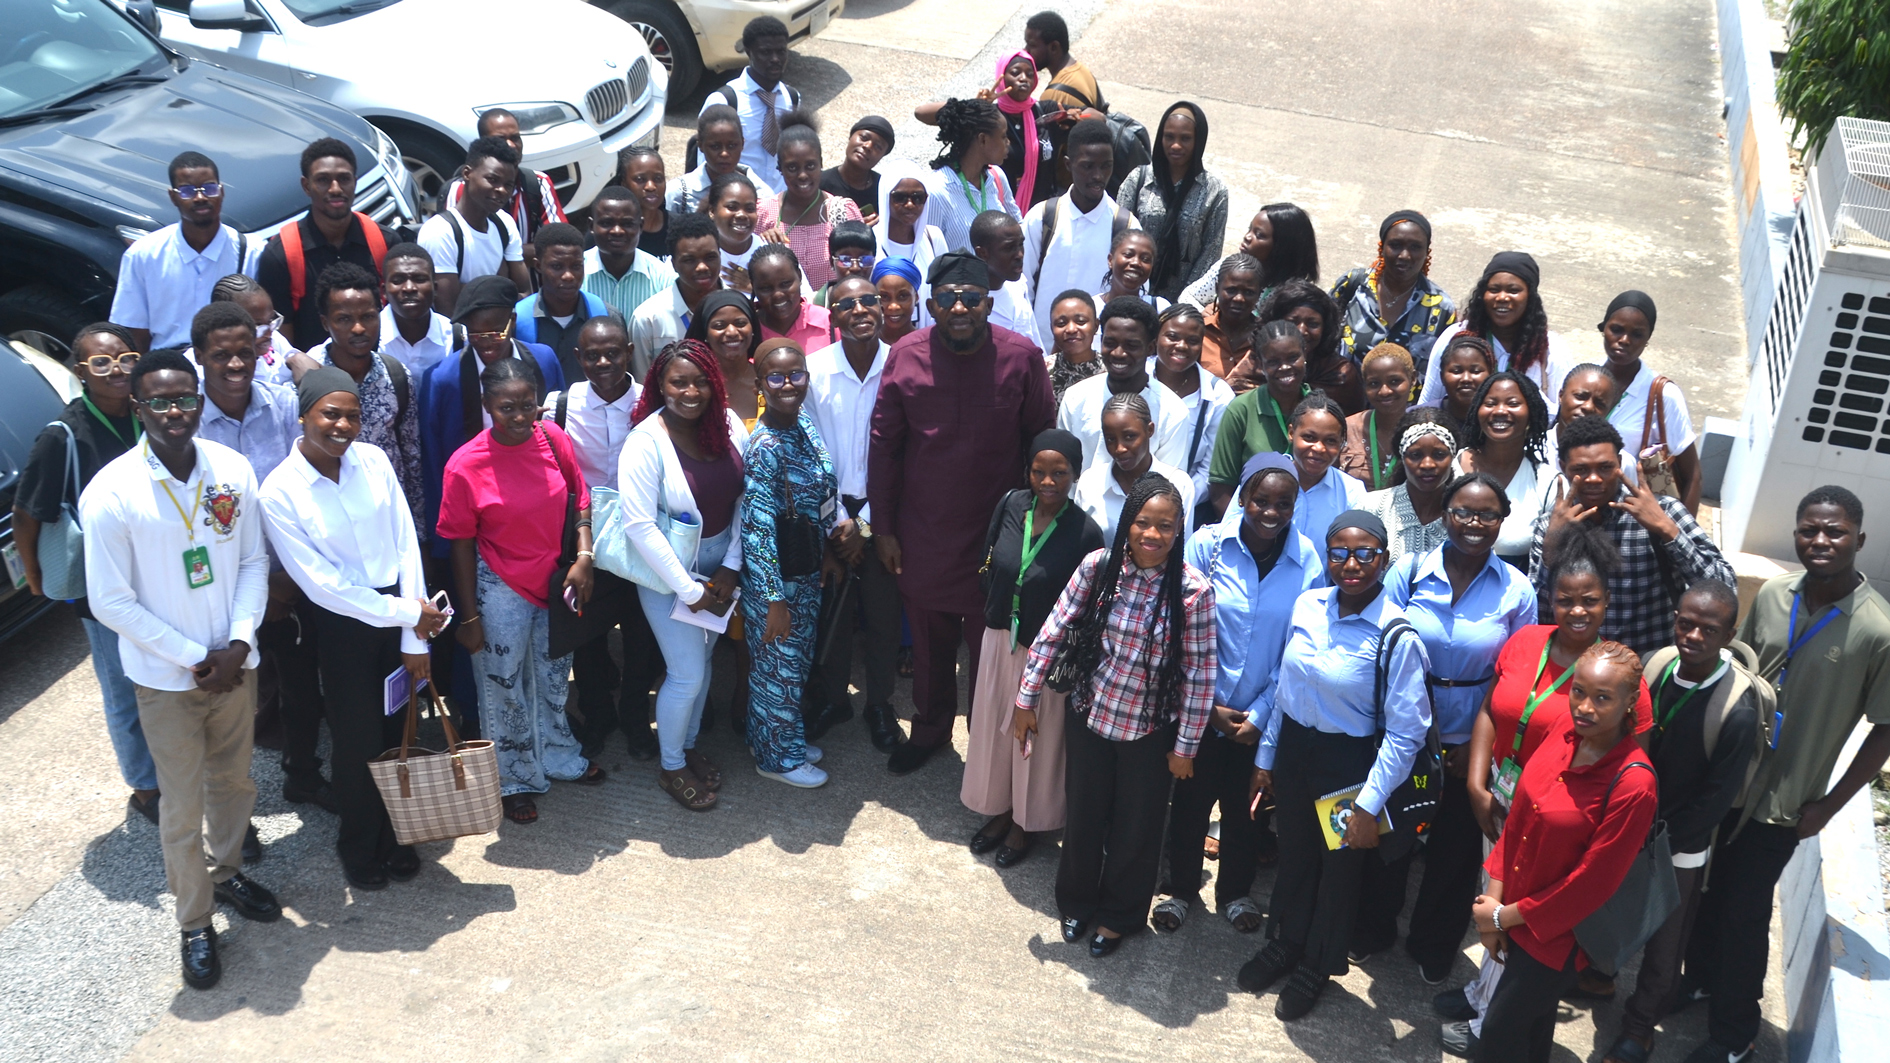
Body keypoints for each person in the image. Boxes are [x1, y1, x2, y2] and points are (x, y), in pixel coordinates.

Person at [80, 349, 280, 990]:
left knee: (235, 785)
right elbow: (110, 602)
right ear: (138, 408)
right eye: (159, 402)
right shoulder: (111, 492)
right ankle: (195, 924)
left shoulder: (231, 468)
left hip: (234, 665)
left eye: (184, 399)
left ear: (200, 401)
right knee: (181, 805)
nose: (174, 412)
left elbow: (252, 562)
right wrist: (199, 659)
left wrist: (241, 642)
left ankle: (226, 876)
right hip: (169, 681)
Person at [1685, 486, 1890, 1063]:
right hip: (1727, 782)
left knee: (1744, 913)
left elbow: (1884, 729)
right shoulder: (1775, 595)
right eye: (1809, 529)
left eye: (1835, 532)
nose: (1820, 541)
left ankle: (1734, 1036)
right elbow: (1735, 673)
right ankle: (1697, 979)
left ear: (1859, 539)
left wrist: (1831, 803)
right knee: (1705, 891)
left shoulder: (1877, 629)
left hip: (1783, 801)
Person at [868, 251, 1056, 775]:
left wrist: (1036, 529)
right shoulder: (905, 355)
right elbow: (883, 446)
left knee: (990, 652)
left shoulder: (1021, 358)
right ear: (931, 305)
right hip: (923, 530)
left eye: (971, 300)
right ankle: (929, 730)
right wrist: (882, 528)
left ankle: (986, 747)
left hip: (997, 536)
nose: (959, 309)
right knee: (928, 644)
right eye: (948, 300)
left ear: (988, 304)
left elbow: (1042, 443)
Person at [258, 368, 447, 889]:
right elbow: (323, 587)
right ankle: (360, 844)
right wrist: (409, 616)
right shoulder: (279, 491)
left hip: (400, 614)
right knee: (356, 739)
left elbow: (406, 543)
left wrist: (414, 635)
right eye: (330, 414)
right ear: (304, 416)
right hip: (343, 628)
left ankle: (398, 836)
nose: (343, 425)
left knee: (399, 731)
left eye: (353, 415)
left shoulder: (375, 460)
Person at [1239, 508, 1432, 1019]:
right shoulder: (1308, 605)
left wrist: (1368, 805)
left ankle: (1317, 965)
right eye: (1339, 552)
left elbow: (1407, 734)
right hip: (1297, 753)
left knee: (1339, 870)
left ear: (1383, 560)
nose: (1351, 563)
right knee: (1296, 854)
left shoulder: (1397, 635)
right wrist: (1266, 758)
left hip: (1350, 765)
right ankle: (1287, 941)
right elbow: (1284, 686)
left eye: (1365, 552)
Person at [1017, 473, 1215, 957]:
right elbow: (1054, 629)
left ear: (1179, 530)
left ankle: (1119, 916)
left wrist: (1185, 747)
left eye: (1165, 526)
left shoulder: (1193, 591)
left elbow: (1200, 674)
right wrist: (1026, 698)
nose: (1152, 535)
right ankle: (1077, 904)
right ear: (1127, 523)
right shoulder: (1098, 567)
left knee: (1137, 828)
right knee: (1083, 818)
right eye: (1143, 523)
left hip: (1150, 730)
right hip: (1090, 715)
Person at [1359, 473, 1535, 982]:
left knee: (1454, 855)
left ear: (1502, 522)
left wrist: (1481, 749)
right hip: (1403, 738)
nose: (1474, 524)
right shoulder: (1410, 572)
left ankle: (1433, 944)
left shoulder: (1517, 591)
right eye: (1462, 512)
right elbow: (1380, 645)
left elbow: (1519, 678)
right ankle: (1373, 928)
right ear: (1443, 516)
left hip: (1469, 745)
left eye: (1487, 515)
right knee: (1392, 839)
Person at [1467, 642, 1659, 1062]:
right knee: (1531, 1033)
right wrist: (1494, 902)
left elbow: (1590, 886)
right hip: (1512, 908)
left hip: (1556, 938)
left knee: (1498, 1036)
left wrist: (1502, 917)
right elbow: (1517, 819)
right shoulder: (1563, 732)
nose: (1585, 707)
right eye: (1578, 691)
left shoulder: (1634, 784)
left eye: (1603, 698)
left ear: (1630, 703)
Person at [1159, 454, 1322, 932]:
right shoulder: (1206, 545)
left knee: (1245, 809)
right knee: (1190, 804)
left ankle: (1234, 892)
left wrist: (1261, 712)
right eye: (1261, 500)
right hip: (1200, 707)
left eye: (1283, 503)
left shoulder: (1308, 561)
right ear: (1242, 499)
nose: (1271, 511)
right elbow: (1179, 628)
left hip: (1262, 716)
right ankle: (1180, 889)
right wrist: (1205, 707)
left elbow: (1299, 648)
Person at [438, 358, 604, 825]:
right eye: (506, 407)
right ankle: (513, 778)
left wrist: (584, 556)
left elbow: (581, 500)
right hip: (497, 587)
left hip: (555, 581)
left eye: (527, 405)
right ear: (488, 405)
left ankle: (556, 756)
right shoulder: (464, 465)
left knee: (554, 677)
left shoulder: (554, 440)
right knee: (504, 687)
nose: (518, 416)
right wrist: (469, 618)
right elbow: (459, 544)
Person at [1603, 581, 1763, 1063]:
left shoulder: (1736, 711)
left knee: (1665, 943)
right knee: (1608, 910)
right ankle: (1596, 975)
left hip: (1680, 844)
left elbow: (1718, 799)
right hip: (1628, 824)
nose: (1693, 635)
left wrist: (1659, 839)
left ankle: (1639, 1027)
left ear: (1729, 634)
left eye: (1708, 629)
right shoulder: (1654, 667)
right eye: (1685, 623)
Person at [11, 326, 158, 822]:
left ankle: (172, 764)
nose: (116, 370)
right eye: (101, 363)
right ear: (80, 372)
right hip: (104, 588)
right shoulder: (64, 435)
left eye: (125, 359)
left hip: (159, 576)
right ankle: (144, 787)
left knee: (164, 679)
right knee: (122, 690)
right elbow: (29, 512)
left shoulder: (149, 414)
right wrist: (36, 577)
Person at [963, 429, 1105, 865]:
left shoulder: (1086, 532)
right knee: (994, 731)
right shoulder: (1011, 505)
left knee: (1032, 742)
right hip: (998, 638)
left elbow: (1088, 607)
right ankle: (1000, 810)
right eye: (1039, 472)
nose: (1048, 482)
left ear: (1075, 474)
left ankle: (1025, 825)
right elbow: (990, 557)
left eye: (1059, 473)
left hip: (1044, 653)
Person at [619, 340, 750, 811]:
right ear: (660, 385)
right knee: (686, 673)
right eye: (678, 382)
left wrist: (732, 566)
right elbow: (638, 525)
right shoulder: (645, 441)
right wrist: (689, 587)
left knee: (705, 664)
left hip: (720, 568)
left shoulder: (731, 426)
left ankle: (688, 746)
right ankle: (671, 766)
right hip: (667, 574)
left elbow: (744, 501)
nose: (690, 391)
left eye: (699, 381)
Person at [544, 316, 662, 762]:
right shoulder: (559, 405)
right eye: (591, 355)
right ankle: (597, 715)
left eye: (612, 352)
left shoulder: (651, 402)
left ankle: (634, 714)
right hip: (585, 537)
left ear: (629, 352)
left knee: (641, 634)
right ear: (578, 358)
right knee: (586, 636)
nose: (603, 362)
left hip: (641, 536)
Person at [1531, 415, 1732, 659]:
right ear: (1563, 467)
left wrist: (1668, 531)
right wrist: (1551, 550)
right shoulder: (1550, 525)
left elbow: (1725, 586)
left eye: (1605, 467)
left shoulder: (1664, 512)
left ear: (1619, 462)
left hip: (1649, 665)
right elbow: (1537, 613)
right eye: (1581, 470)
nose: (1594, 479)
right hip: (1578, 670)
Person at [805, 276, 904, 751]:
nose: (862, 309)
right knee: (832, 613)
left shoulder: (903, 368)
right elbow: (803, 455)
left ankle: (880, 704)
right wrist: (834, 529)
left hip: (884, 512)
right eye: (848, 303)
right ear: (833, 315)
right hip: (831, 510)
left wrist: (868, 527)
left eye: (871, 300)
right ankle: (833, 699)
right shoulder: (813, 370)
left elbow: (911, 457)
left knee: (883, 616)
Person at [740, 339, 838, 787]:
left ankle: (780, 737)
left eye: (795, 374)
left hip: (806, 568)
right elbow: (758, 528)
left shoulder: (804, 425)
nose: (787, 384)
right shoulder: (765, 445)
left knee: (793, 664)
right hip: (775, 580)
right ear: (761, 384)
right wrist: (773, 598)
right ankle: (778, 759)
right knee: (775, 667)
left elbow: (821, 492)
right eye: (775, 377)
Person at [417, 276, 564, 560]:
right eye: (475, 335)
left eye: (495, 333)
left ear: (512, 320)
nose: (486, 343)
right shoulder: (442, 379)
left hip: (538, 500)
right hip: (478, 506)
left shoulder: (543, 360)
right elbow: (434, 461)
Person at [306, 264, 427, 541]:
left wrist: (418, 538)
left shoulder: (395, 375)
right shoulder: (308, 379)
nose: (359, 328)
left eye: (369, 317)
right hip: (331, 525)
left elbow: (412, 459)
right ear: (326, 323)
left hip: (388, 520)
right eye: (344, 319)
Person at [255, 139, 400, 349]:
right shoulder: (281, 256)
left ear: (355, 182)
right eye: (323, 180)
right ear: (306, 186)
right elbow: (282, 345)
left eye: (344, 179)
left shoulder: (385, 243)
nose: (335, 189)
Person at [111, 151, 257, 352]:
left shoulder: (251, 252)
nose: (200, 197)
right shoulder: (142, 255)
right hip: (169, 367)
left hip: (230, 361)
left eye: (209, 188)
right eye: (187, 191)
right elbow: (135, 332)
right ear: (173, 197)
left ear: (221, 192)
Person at [1023, 118, 1131, 339]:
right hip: (1041, 347)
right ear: (1068, 164)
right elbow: (1021, 287)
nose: (1098, 176)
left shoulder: (1125, 227)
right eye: (1088, 166)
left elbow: (1132, 294)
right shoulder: (1042, 217)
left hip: (1098, 355)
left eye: (1106, 166)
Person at [1420, 252, 1571, 409]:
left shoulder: (1551, 349)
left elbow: (1562, 413)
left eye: (1513, 290)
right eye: (1494, 289)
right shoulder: (1455, 337)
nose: (1502, 297)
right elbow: (1428, 402)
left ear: (1530, 297)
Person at [1595, 290, 1701, 511]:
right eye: (1616, 330)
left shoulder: (1663, 395)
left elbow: (1692, 475)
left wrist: (1681, 538)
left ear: (1647, 340)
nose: (1624, 340)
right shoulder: (1585, 378)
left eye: (1636, 334)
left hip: (1632, 521)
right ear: (1603, 328)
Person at [1057, 297, 1188, 472]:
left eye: (1131, 345)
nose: (1118, 353)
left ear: (1150, 348)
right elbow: (1064, 467)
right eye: (1110, 343)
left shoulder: (1173, 411)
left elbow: (1170, 482)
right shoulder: (1075, 398)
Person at [1115, 101, 1228, 301]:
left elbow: (1210, 253)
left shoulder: (1214, 191)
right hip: (1133, 294)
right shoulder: (1139, 180)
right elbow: (1118, 238)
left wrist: (1183, 303)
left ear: (1198, 141)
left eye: (1185, 139)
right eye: (1169, 137)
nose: (1176, 145)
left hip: (1182, 304)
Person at [1330, 210, 1457, 375]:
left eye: (1415, 247)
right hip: (1346, 399)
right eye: (1396, 245)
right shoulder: (1352, 285)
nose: (1404, 255)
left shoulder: (1441, 308)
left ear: (1427, 253)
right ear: (1381, 248)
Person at [416, 137, 530, 316]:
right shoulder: (440, 232)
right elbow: (448, 309)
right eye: (492, 179)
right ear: (467, 174)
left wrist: (468, 289)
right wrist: (502, 287)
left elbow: (526, 294)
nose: (502, 190)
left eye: (508, 185)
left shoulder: (504, 224)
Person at [1205, 321, 1311, 513]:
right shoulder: (1240, 410)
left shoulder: (1320, 410)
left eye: (1293, 357)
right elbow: (1221, 489)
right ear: (1260, 365)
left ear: (1305, 355)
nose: (1285, 367)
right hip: (1255, 527)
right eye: (1273, 361)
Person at [447, 108, 569, 269]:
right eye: (501, 139)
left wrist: (496, 252)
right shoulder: (459, 189)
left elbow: (560, 245)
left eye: (515, 138)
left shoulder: (538, 183)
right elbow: (457, 248)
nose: (511, 145)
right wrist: (526, 252)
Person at [1455, 371, 1553, 568]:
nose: (1500, 411)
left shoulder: (1548, 482)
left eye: (1513, 404)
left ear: (1531, 413)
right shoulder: (1450, 468)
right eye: (1490, 403)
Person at [757, 114, 865, 292]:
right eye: (792, 167)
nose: (802, 175)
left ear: (821, 163)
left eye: (810, 166)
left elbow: (861, 267)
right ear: (780, 169)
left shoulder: (843, 212)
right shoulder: (763, 213)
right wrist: (762, 244)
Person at [1149, 303, 1232, 520]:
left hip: (1185, 508)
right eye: (1172, 337)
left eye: (1193, 341)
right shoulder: (1138, 378)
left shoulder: (1217, 395)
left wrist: (1174, 501)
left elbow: (1209, 470)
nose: (1182, 346)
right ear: (1156, 337)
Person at [698, 17, 799, 192]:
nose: (775, 59)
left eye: (781, 51)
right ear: (748, 52)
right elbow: (704, 163)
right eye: (766, 52)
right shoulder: (725, 101)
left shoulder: (792, 98)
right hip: (739, 200)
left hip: (779, 200)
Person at [1074, 392, 1196, 533]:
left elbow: (1183, 546)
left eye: (1130, 436)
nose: (1120, 448)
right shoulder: (1090, 483)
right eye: (1110, 439)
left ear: (1150, 430)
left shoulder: (1178, 484)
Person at [513, 223, 614, 382]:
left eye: (576, 266)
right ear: (538, 266)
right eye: (557, 266)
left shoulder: (606, 316)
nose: (568, 276)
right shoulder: (516, 321)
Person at [629, 211, 722, 381]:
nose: (702, 267)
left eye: (710, 257)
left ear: (720, 256)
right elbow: (643, 388)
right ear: (673, 264)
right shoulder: (648, 319)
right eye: (689, 260)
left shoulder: (741, 309)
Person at [1359, 409, 1458, 565]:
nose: (1427, 464)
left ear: (1452, 457)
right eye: (1416, 455)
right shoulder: (1372, 508)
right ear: (1402, 457)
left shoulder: (1464, 514)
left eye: (1439, 454)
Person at [1179, 203, 1320, 310]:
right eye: (1249, 230)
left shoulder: (1295, 295)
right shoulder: (1228, 269)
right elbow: (1187, 297)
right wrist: (1206, 319)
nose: (1247, 237)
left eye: (1259, 235)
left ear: (1282, 247)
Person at [926, 98, 1021, 254]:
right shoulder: (936, 191)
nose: (1008, 142)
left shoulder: (997, 177)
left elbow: (1018, 228)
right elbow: (929, 256)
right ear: (983, 139)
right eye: (1003, 136)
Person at [1264, 279, 1363, 415]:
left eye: (1313, 324)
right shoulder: (1257, 363)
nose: (1301, 331)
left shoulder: (1341, 375)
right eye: (1293, 322)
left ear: (1325, 329)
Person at [582, 186, 677, 327]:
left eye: (627, 224)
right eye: (607, 223)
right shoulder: (576, 273)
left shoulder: (663, 279)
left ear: (641, 226)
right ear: (591, 226)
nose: (617, 231)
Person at [871, 161, 950, 319]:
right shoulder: (869, 240)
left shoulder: (933, 238)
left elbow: (945, 290)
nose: (910, 204)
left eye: (918, 198)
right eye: (900, 197)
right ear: (886, 196)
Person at [667, 104, 775, 216]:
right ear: (701, 146)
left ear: (742, 144)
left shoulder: (762, 194)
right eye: (715, 146)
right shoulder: (679, 193)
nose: (724, 153)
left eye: (732, 146)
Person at [1339, 342, 1415, 492]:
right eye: (1374, 383)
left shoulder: (1424, 432)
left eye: (1394, 381)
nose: (1384, 391)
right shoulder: (1345, 430)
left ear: (1412, 379)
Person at [685, 289, 764, 426]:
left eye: (740, 323)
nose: (732, 332)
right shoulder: (694, 387)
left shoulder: (769, 381)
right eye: (719, 326)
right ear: (705, 333)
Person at [377, 244, 457, 377]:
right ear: (383, 291)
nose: (409, 288)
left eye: (419, 280)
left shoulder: (457, 338)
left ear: (435, 288)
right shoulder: (366, 338)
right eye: (398, 280)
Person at [970, 210, 1044, 350]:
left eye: (1021, 245)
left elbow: (1035, 343)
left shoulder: (1019, 285)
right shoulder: (965, 303)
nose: (1020, 255)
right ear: (982, 253)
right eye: (1009, 248)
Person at [207, 273, 296, 387]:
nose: (269, 333)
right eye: (257, 325)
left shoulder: (274, 338)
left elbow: (296, 358)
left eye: (270, 320)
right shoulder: (209, 371)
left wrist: (296, 360)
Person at [1197, 253, 1264, 386]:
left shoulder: (1266, 339)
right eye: (1231, 290)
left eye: (1249, 292)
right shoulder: (1198, 332)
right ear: (1217, 288)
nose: (1239, 298)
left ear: (1258, 295)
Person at [749, 244, 830, 351]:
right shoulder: (747, 332)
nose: (778, 295)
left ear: (799, 276)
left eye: (785, 284)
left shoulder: (829, 323)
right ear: (753, 287)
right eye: (765, 288)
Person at [1025, 10, 1103, 116]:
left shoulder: (1054, 96)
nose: (1026, 51)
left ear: (1054, 47)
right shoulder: (1081, 70)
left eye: (1032, 45)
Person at [821, 115, 895, 222]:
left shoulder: (884, 190)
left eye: (878, 147)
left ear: (882, 156)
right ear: (850, 137)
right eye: (863, 138)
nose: (868, 146)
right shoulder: (820, 184)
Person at [1045, 287, 1103, 403]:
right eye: (1061, 323)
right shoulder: (1041, 370)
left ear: (1096, 326)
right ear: (1052, 328)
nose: (1071, 329)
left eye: (1081, 321)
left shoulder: (1110, 370)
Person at [612, 146, 671, 259]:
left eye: (658, 179)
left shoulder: (678, 229)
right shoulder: (610, 232)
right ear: (624, 183)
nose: (651, 187)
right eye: (640, 179)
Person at [1433, 333, 1497, 429]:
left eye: (1475, 371)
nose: (1466, 379)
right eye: (1456, 371)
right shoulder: (1422, 420)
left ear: (1491, 375)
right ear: (1442, 377)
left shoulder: (1500, 420)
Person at [1092, 229, 1164, 313]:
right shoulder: (1091, 309)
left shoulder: (1159, 309)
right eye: (1128, 255)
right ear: (1110, 260)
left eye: (1145, 259)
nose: (1136, 263)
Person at [812, 221, 876, 307]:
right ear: (832, 262)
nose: (855, 267)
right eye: (845, 259)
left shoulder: (883, 301)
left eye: (864, 259)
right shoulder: (815, 305)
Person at [873, 256, 925, 344]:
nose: (893, 306)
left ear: (916, 297)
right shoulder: (866, 345)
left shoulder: (926, 346)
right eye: (884, 297)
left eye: (902, 296)